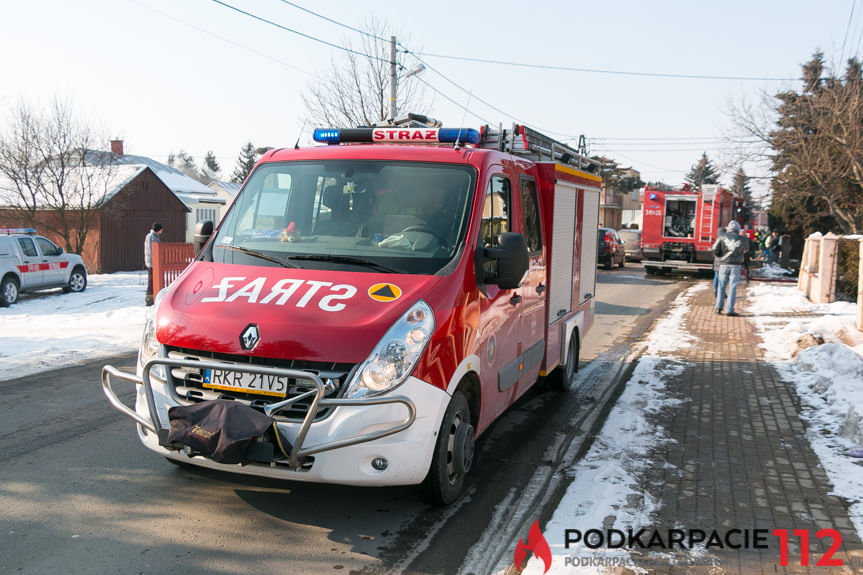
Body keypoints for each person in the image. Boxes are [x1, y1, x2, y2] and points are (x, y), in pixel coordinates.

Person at [712, 220, 750, 316]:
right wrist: (739, 255)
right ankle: (729, 309)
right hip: (736, 265)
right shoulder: (742, 238)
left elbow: (714, 249)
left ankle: (718, 308)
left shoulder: (722, 237)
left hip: (723, 264)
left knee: (721, 286)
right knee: (733, 287)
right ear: (737, 229)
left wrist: (721, 256)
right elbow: (746, 249)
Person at [144, 223, 163, 306]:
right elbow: (152, 250)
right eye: (161, 229)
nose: (162, 231)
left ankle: (152, 296)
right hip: (152, 262)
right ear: (158, 229)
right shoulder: (152, 237)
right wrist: (155, 259)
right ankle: (149, 298)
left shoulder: (153, 236)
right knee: (151, 280)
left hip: (152, 261)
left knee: (153, 279)